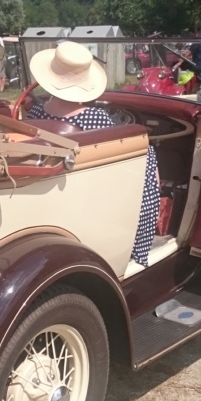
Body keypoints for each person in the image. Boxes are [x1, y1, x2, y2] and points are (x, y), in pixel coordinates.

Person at [26, 41, 160, 267]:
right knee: (146, 154)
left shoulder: (35, 113)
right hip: (91, 194)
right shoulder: (96, 118)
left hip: (53, 192)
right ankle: (140, 242)